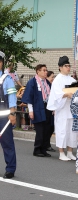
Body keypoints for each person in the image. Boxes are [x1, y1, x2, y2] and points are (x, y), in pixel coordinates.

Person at [47, 56, 77, 161]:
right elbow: (57, 94)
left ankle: (70, 152)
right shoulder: (57, 80)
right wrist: (66, 95)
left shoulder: (72, 79)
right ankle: (61, 153)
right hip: (62, 109)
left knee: (72, 131)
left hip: (71, 108)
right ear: (60, 67)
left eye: (69, 66)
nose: (68, 68)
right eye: (66, 66)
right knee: (62, 130)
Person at [22, 64, 52, 158]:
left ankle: (44, 149)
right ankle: (37, 149)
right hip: (37, 107)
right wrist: (30, 110)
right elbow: (29, 97)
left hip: (47, 107)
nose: (45, 72)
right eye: (43, 70)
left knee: (47, 129)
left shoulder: (47, 82)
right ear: (38, 71)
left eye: (46, 70)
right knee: (40, 130)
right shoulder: (33, 82)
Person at [0, 51, 17, 179]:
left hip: (4, 118)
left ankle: (10, 169)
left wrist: (12, 113)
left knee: (7, 143)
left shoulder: (7, 79)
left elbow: (12, 96)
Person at [46, 70, 55, 152]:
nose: (53, 78)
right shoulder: (46, 86)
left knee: (51, 127)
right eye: (52, 77)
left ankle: (47, 143)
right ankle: (46, 144)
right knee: (48, 127)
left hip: (53, 109)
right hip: (48, 109)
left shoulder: (52, 85)